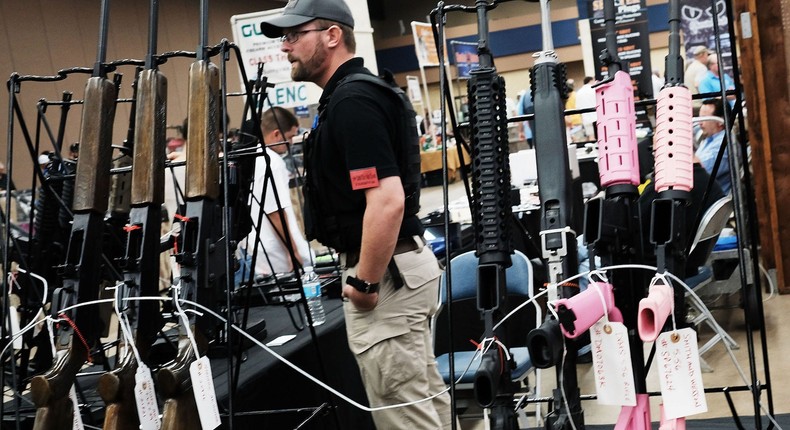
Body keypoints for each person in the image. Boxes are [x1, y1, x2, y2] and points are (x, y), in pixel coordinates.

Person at [261, 1, 454, 428]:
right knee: (423, 406)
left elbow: (386, 200)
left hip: (386, 278)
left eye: (295, 35)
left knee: (406, 416)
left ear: (332, 35)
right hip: (401, 270)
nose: (286, 48)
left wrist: (364, 281)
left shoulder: (353, 101)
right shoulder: (356, 96)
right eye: (283, 39)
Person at [236, 107, 313, 280]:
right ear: (277, 134)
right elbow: (275, 211)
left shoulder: (251, 158)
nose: (292, 143)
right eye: (291, 137)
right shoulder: (271, 162)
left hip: (258, 252)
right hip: (276, 256)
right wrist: (293, 252)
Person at [695, 98, 733, 194]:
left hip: (713, 202)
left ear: (720, 121)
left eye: (704, 118)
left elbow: (697, 172)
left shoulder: (725, 143)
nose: (700, 122)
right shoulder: (709, 139)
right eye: (699, 118)